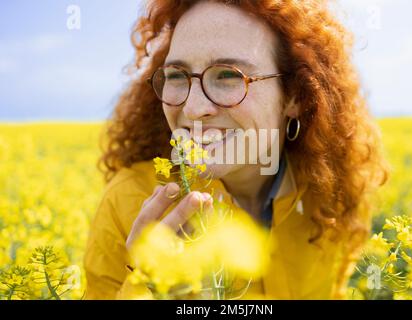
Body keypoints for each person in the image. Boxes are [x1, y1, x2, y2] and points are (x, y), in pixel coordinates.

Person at [84, 0, 389, 299]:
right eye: (177, 76)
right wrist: (149, 283)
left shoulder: (331, 196)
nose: (193, 108)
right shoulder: (128, 201)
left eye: (228, 76)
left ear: (296, 95)